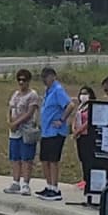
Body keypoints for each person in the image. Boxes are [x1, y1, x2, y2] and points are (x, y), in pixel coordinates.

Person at [37, 67, 74, 200]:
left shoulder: (58, 90)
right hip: (46, 131)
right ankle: (48, 186)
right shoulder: (48, 91)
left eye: (46, 77)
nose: (44, 80)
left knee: (53, 160)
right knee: (44, 159)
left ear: (53, 76)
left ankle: (55, 188)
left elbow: (70, 105)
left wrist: (62, 120)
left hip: (55, 131)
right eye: (42, 77)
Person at [5, 68, 40, 194]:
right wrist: (9, 122)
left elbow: (29, 113)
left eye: (23, 80)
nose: (21, 82)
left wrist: (16, 122)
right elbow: (10, 109)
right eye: (19, 80)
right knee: (15, 157)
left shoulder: (32, 95)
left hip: (26, 130)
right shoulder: (15, 94)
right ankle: (15, 181)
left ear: (28, 81)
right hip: (14, 131)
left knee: (26, 157)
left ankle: (26, 183)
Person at [74, 84, 98, 200]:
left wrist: (79, 130)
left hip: (87, 136)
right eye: (81, 93)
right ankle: (84, 179)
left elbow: (88, 122)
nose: (83, 96)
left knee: (88, 159)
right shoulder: (80, 107)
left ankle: (89, 181)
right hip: (79, 137)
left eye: (85, 93)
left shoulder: (91, 107)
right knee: (82, 158)